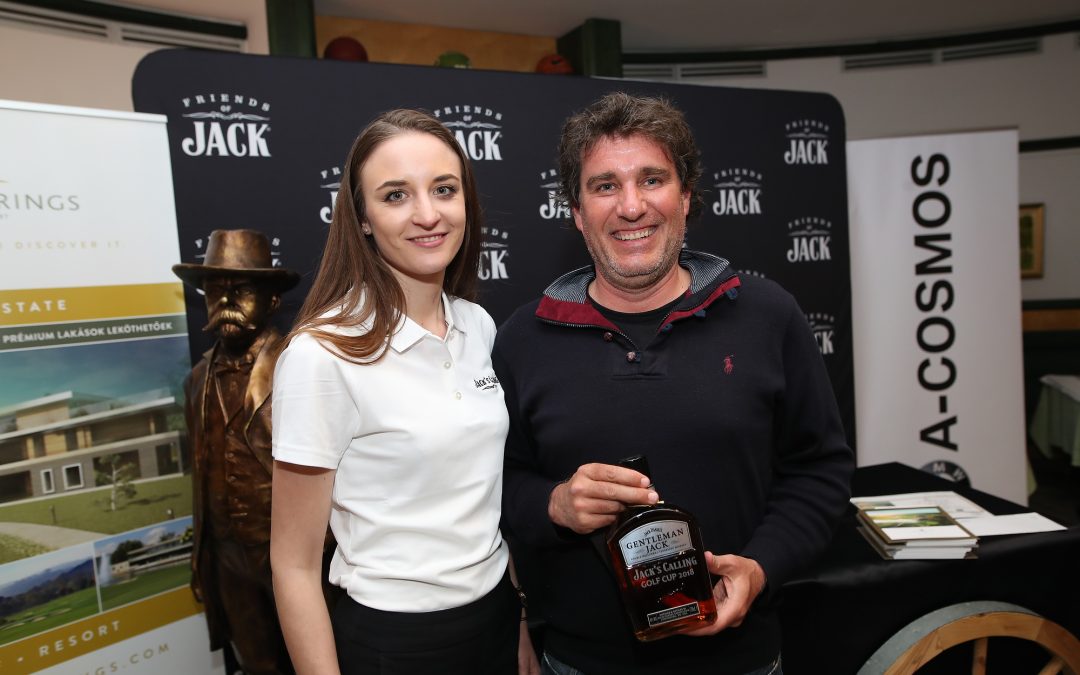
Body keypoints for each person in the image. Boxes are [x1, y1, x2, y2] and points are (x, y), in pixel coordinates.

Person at [493, 92, 855, 675]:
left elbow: (819, 471)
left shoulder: (767, 316)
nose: (631, 206)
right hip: (581, 663)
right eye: (605, 185)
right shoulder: (523, 339)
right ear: (577, 212)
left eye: (652, 179)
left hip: (742, 661)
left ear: (685, 196)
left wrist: (759, 568)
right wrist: (554, 503)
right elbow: (494, 485)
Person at [270, 109, 537, 675]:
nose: (428, 214)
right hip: (393, 642)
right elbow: (293, 566)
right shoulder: (321, 355)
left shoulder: (478, 326)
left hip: (494, 616)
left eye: (444, 189)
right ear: (362, 218)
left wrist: (516, 618)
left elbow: (485, 504)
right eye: (395, 195)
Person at [172, 228, 300, 675]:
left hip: (294, 552)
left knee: (319, 658)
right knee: (257, 663)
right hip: (227, 557)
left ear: (272, 300)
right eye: (214, 291)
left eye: (241, 291)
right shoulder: (196, 381)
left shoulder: (300, 366)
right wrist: (202, 554)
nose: (225, 302)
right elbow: (200, 473)